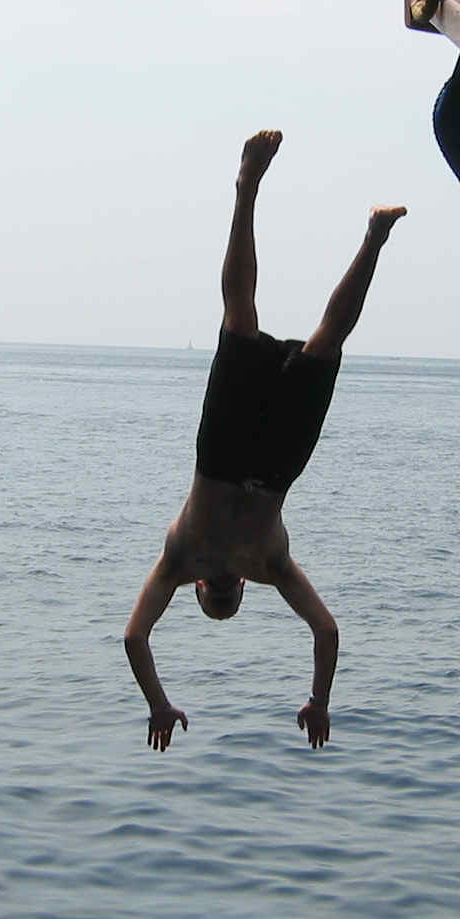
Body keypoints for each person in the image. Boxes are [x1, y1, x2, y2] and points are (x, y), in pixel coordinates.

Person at [123, 129, 405, 753]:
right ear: (218, 588)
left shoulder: (220, 563)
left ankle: (336, 221)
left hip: (251, 460)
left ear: (215, 588)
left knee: (285, 330)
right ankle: (322, 216)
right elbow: (135, 639)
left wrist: (161, 704)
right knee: (266, 324)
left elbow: (326, 632)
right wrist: (317, 699)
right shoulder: (204, 564)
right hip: (251, 462)